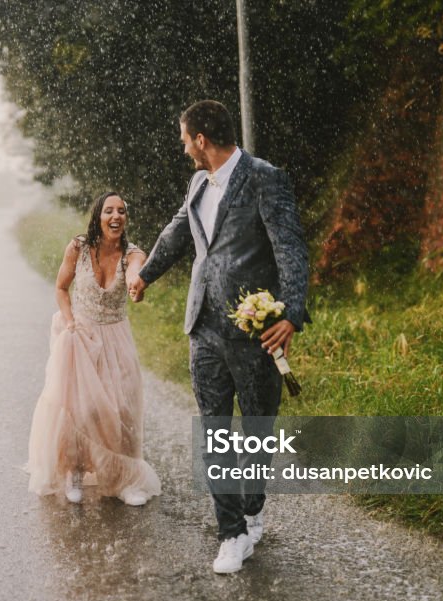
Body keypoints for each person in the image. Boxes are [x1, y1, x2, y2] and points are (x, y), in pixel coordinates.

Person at [129, 100, 309, 573]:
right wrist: (147, 273)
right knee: (213, 430)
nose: (183, 146)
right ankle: (230, 533)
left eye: (185, 138)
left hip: (253, 331)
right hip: (202, 327)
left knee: (256, 430)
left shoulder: (265, 178)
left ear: (202, 139)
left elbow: (290, 247)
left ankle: (252, 510)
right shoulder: (197, 182)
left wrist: (291, 313)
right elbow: (178, 230)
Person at [27, 192, 162, 506]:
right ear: (98, 217)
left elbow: (135, 274)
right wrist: (70, 320)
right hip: (80, 335)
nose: (116, 216)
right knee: (80, 409)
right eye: (109, 211)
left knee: (124, 408)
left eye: (122, 211)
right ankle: (73, 472)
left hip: (117, 336)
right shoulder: (78, 247)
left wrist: (135, 285)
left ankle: (125, 480)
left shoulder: (133, 254)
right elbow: (61, 288)